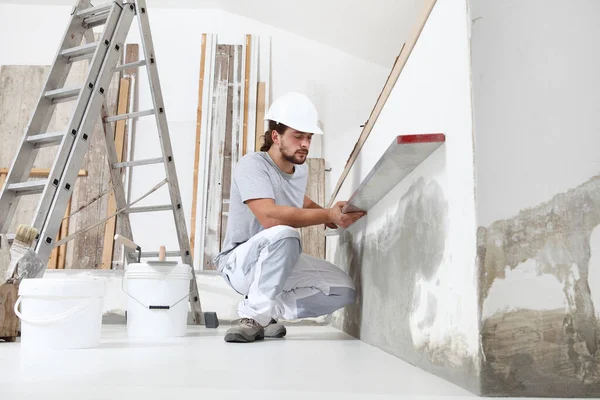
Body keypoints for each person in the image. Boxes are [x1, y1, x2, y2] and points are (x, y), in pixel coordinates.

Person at [212, 92, 366, 343]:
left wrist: (329, 215)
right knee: (286, 233)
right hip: (240, 264)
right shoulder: (253, 165)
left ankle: (266, 311)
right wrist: (326, 214)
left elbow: (298, 199)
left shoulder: (299, 170)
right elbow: (270, 217)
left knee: (342, 291)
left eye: (309, 137)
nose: (305, 143)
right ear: (276, 136)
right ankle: (251, 315)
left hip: (278, 259)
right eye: (298, 136)